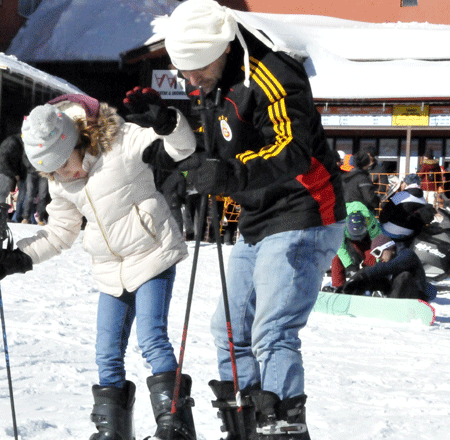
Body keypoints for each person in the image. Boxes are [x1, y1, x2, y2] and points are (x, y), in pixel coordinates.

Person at [164, 1, 346, 437]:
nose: (191, 81)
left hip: (303, 210)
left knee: (272, 331)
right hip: (258, 217)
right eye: (184, 73)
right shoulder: (214, 83)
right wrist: (167, 126)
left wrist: (230, 174)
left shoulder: (274, 72)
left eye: (197, 69)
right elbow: (211, 150)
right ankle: (245, 426)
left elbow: (292, 149)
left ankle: (281, 427)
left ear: (223, 48)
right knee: (228, 330)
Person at [0, 91, 197, 440]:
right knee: (106, 352)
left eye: (65, 163)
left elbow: (182, 148)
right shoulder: (61, 183)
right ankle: (113, 432)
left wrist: (166, 121)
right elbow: (59, 232)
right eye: (53, 171)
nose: (65, 174)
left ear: (76, 140)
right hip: (110, 269)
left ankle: (175, 424)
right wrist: (19, 258)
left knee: (152, 338)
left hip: (151, 255)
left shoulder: (121, 141)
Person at [343, 234, 436, 301]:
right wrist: (355, 281)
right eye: (375, 255)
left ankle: (390, 306)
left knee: (404, 276)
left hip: (417, 297)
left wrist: (365, 275)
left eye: (378, 252)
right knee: (370, 273)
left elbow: (390, 266)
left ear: (389, 247)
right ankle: (346, 293)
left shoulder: (407, 255)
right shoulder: (390, 259)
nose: (378, 257)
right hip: (398, 296)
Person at [327, 203, 382, 292]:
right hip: (346, 238)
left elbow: (377, 240)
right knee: (336, 257)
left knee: (371, 254)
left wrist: (379, 260)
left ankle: (370, 281)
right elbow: (339, 246)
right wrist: (349, 265)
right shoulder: (339, 221)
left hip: (365, 237)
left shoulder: (369, 219)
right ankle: (338, 286)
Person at [379, 174, 436, 243]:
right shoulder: (423, 201)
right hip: (409, 234)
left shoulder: (400, 195)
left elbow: (384, 216)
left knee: (377, 225)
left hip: (391, 232)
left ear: (406, 183)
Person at [341, 147, 378, 213]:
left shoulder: (341, 178)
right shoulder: (362, 178)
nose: (347, 172)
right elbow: (370, 198)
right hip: (359, 212)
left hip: (344, 212)